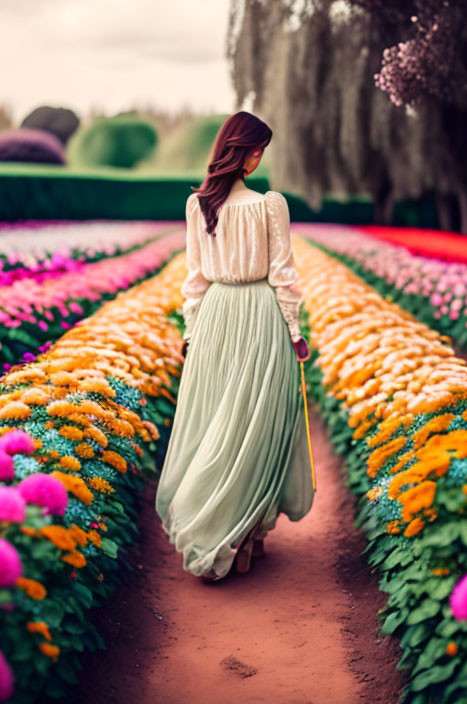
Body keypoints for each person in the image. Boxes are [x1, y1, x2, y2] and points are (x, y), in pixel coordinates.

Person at [155, 111, 315, 583]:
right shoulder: (270, 205)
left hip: (217, 318)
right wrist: (294, 330)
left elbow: (195, 278)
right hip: (261, 315)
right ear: (241, 150)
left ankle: (227, 528)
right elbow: (283, 274)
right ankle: (250, 534)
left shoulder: (199, 205)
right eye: (257, 148)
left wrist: (192, 331)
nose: (259, 156)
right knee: (257, 423)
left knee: (218, 422)